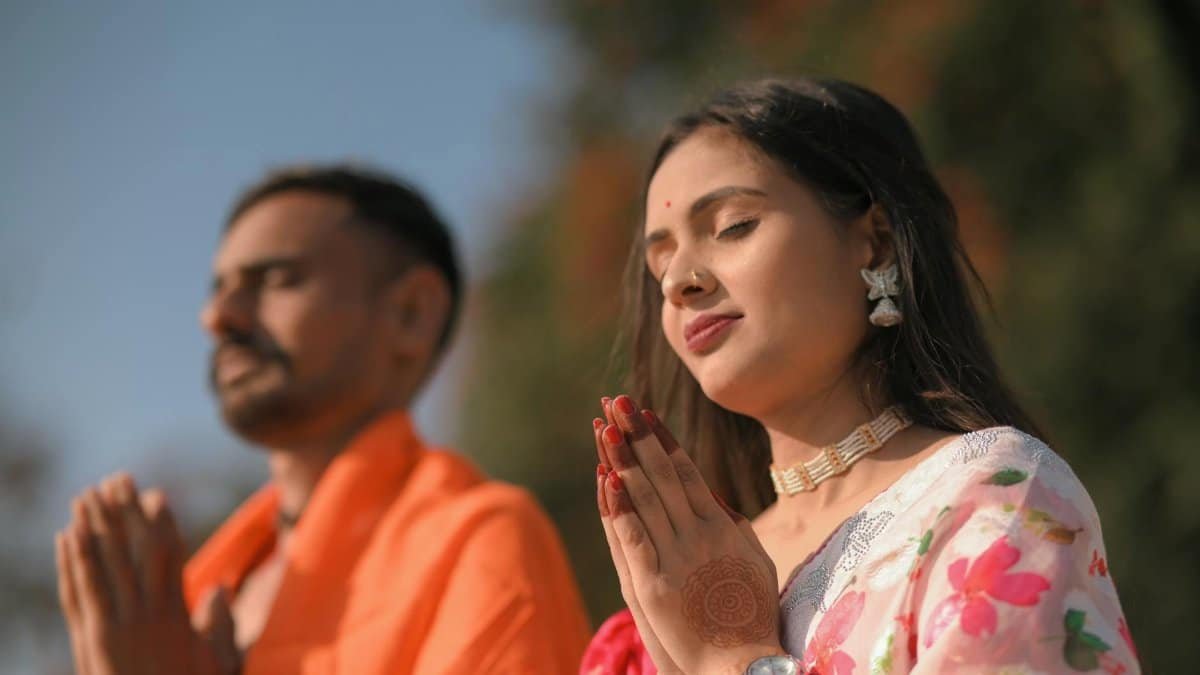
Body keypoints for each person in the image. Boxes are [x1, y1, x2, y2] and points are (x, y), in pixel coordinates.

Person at [581, 79, 1139, 674]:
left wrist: (739, 660)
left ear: (873, 242)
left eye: (733, 225)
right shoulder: (678, 581)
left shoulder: (989, 499)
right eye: (659, 264)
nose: (679, 281)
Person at [54, 164, 591, 674]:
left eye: (277, 279)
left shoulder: (477, 543)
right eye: (218, 288)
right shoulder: (200, 593)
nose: (219, 316)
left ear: (410, 314)